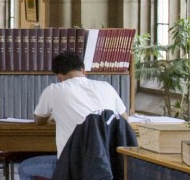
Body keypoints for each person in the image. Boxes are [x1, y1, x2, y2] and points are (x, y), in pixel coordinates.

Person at [17, 50, 128, 180]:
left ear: (58, 76)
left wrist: (53, 118)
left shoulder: (54, 90)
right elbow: (124, 120)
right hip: (107, 165)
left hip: (71, 166)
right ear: (83, 70)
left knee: (24, 168)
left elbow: (39, 120)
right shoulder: (107, 87)